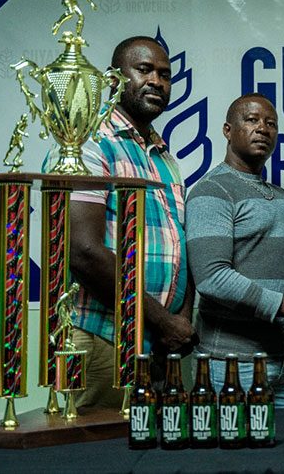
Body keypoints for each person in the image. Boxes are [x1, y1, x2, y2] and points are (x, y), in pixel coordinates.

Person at [45, 36, 196, 407]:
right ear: (114, 78)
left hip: (158, 345)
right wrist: (162, 321)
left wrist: (177, 324)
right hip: (102, 339)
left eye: (165, 74)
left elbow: (179, 246)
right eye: (144, 70)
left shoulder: (164, 157)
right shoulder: (89, 143)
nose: (157, 82)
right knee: (96, 460)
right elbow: (81, 252)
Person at [185, 93, 284, 407]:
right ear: (228, 130)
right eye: (252, 120)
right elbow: (212, 279)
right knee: (233, 453)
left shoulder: (282, 198)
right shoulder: (211, 191)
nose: (263, 129)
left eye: (271, 124)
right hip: (230, 363)